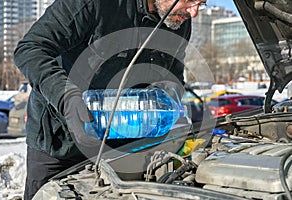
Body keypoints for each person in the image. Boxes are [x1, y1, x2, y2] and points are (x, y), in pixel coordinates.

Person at [13, 0, 206, 199]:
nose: (194, 13)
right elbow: (31, 48)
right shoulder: (94, 3)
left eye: (202, 3)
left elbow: (173, 74)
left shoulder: (178, 20)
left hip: (125, 141)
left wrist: (168, 94)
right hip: (61, 141)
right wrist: (66, 97)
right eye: (189, 0)